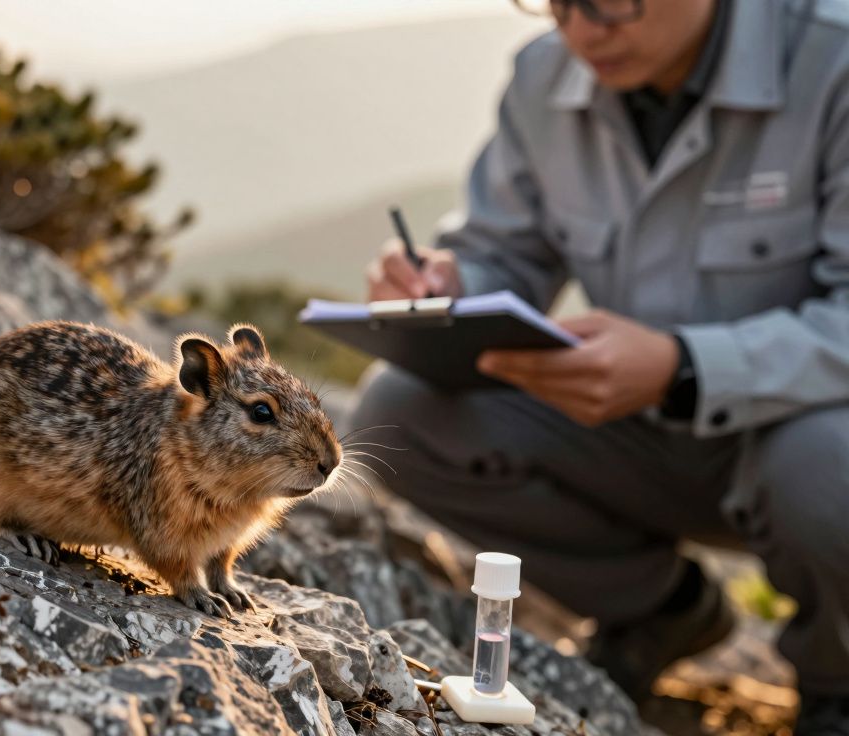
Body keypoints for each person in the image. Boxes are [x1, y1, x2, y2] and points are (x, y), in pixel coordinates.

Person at [351, 0, 849, 732]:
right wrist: (450, 286)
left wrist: (686, 365)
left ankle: (836, 683)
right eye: (554, 2)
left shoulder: (832, 60)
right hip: (636, 434)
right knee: (401, 413)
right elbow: (507, 252)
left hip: (800, 446)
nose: (581, 29)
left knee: (823, 461)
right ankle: (660, 610)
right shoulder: (544, 79)